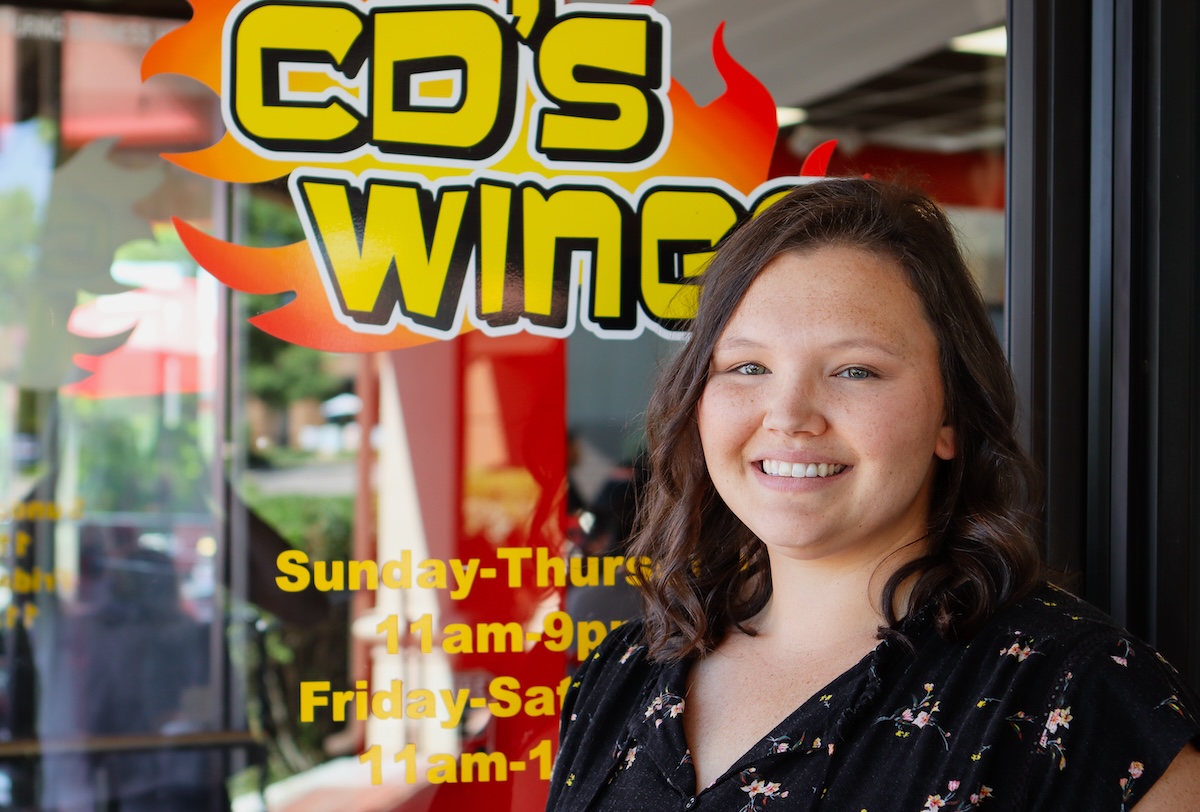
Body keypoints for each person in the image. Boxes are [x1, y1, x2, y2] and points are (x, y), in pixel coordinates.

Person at [545, 178, 1200, 811]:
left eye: (854, 370)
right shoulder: (620, 673)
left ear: (952, 416)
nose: (790, 414)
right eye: (748, 367)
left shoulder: (1076, 695)